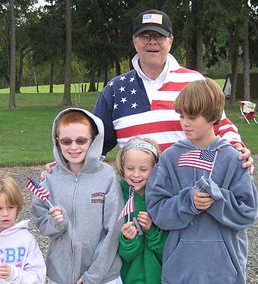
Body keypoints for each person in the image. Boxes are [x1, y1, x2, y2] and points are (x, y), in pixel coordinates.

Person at [92, 9, 253, 170]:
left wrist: (238, 151)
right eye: (145, 36)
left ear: (170, 40)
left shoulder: (194, 82)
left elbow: (221, 126)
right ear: (134, 41)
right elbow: (94, 144)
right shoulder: (115, 89)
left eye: (159, 36)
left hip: (189, 191)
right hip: (139, 192)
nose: (152, 42)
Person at [145, 78, 258, 284]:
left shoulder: (234, 159)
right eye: (181, 116)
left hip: (225, 272)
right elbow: (157, 210)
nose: (184, 123)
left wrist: (217, 199)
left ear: (213, 116)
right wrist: (188, 202)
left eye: (192, 116)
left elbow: (248, 213)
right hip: (180, 270)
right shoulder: (170, 159)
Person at [30, 108, 124, 284]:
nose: (73, 147)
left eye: (81, 140)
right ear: (57, 141)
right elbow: (40, 220)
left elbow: (113, 231)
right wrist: (57, 223)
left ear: (94, 140)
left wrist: (93, 276)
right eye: (66, 141)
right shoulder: (51, 178)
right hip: (60, 276)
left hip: (103, 277)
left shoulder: (107, 176)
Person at [116, 137, 168, 284]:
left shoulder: (162, 196)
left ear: (155, 168)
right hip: (128, 277)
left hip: (158, 277)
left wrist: (152, 231)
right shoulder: (116, 195)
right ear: (122, 166)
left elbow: (167, 249)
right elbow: (123, 254)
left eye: (144, 169)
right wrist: (128, 240)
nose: (136, 174)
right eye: (130, 168)